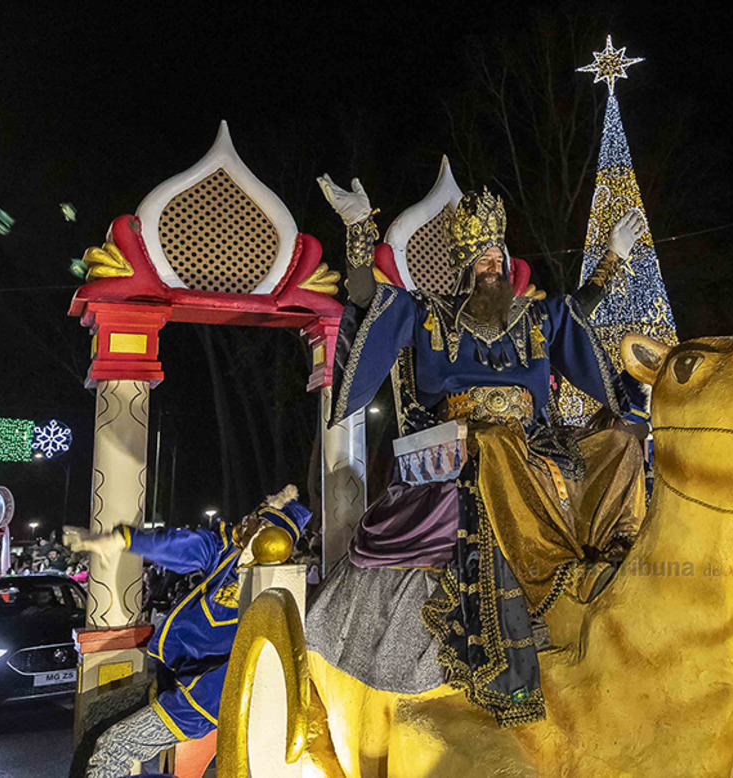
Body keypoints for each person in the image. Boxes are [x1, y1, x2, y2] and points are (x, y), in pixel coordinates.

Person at [314, 176, 650, 725]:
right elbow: (363, 294)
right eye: (481, 257)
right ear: (466, 266)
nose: (492, 263)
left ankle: (617, 555)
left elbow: (578, 308)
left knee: (618, 440)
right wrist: (357, 228)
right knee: (494, 441)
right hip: (459, 444)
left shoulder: (535, 319)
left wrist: (613, 259)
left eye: (498, 254)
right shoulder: (430, 317)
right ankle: (546, 568)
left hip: (535, 442)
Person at [68, 485, 311, 778]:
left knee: (114, 747)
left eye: (255, 522)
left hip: (203, 698)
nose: (244, 522)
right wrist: (121, 540)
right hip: (176, 680)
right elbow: (186, 544)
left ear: (267, 538)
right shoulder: (227, 557)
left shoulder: (274, 589)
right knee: (97, 715)